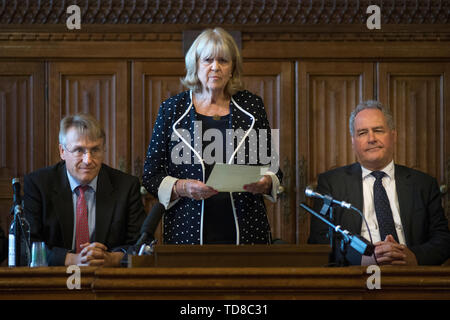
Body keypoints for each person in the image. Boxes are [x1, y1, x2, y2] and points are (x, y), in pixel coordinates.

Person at [142, 27, 282, 245]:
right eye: (208, 60)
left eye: (223, 61)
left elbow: (272, 168)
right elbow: (151, 175)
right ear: (195, 64)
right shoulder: (172, 109)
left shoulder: (252, 106)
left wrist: (265, 183)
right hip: (186, 229)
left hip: (246, 229)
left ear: (232, 68)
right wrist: (182, 187)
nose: (215, 67)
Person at [308, 100, 450, 266]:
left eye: (378, 130)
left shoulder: (423, 184)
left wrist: (414, 257)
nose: (371, 139)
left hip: (411, 276)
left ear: (393, 135)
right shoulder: (331, 183)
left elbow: (443, 240)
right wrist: (362, 259)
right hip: (355, 278)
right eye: (362, 133)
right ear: (353, 141)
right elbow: (319, 241)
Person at [24, 114, 146, 266]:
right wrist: (72, 260)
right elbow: (26, 244)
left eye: (95, 150)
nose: (88, 160)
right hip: (55, 279)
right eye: (79, 150)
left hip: (108, 280)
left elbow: (142, 245)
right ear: (62, 151)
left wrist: (111, 258)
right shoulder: (38, 184)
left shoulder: (126, 186)